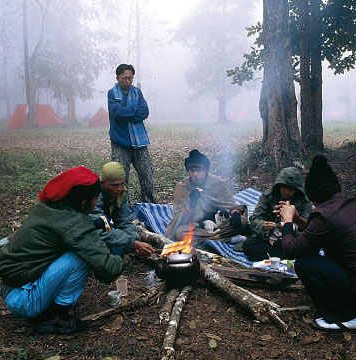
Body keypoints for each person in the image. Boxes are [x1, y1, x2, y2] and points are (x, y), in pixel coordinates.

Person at [0, 167, 125, 335]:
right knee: (79, 258)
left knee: (75, 252)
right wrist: (119, 251)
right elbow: (108, 271)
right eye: (95, 199)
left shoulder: (47, 208)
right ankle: (53, 317)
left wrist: (92, 224)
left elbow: (62, 230)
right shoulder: (75, 224)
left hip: (10, 288)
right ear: (83, 203)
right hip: (22, 300)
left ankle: (45, 306)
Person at [280, 155, 356, 332]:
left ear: (313, 195)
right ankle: (355, 306)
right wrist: (299, 219)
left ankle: (345, 316)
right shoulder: (346, 204)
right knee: (317, 259)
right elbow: (315, 235)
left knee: (305, 264)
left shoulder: (325, 215)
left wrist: (287, 221)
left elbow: (291, 250)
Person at [164, 149, 247, 243]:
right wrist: (191, 205)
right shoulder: (182, 187)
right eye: (192, 170)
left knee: (243, 222)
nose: (195, 174)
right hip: (198, 226)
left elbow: (231, 206)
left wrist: (235, 213)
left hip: (220, 223)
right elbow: (180, 219)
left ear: (206, 170)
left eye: (199, 170)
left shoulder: (218, 183)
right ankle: (228, 239)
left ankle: (207, 240)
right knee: (180, 233)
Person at [108, 63, 155, 203]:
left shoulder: (137, 92)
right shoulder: (112, 93)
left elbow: (145, 112)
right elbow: (116, 113)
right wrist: (134, 110)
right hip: (120, 142)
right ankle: (123, 209)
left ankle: (149, 206)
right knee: (120, 178)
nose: (127, 81)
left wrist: (127, 112)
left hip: (140, 142)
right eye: (124, 78)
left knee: (147, 175)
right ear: (117, 78)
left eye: (130, 78)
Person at [242, 167, 312, 260]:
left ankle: (283, 255)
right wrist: (263, 225)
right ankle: (288, 255)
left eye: (290, 189)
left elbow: (308, 227)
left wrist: (291, 225)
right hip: (270, 239)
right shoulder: (268, 196)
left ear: (296, 189)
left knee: (311, 248)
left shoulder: (304, 201)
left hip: (293, 240)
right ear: (278, 186)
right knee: (248, 246)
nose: (286, 192)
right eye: (283, 188)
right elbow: (255, 219)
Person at [90, 161, 155, 257]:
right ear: (102, 183)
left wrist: (135, 241)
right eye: (114, 185)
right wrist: (132, 244)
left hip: (104, 225)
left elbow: (124, 221)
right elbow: (97, 228)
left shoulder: (121, 192)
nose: (119, 188)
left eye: (122, 184)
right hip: (87, 228)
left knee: (119, 246)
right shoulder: (93, 195)